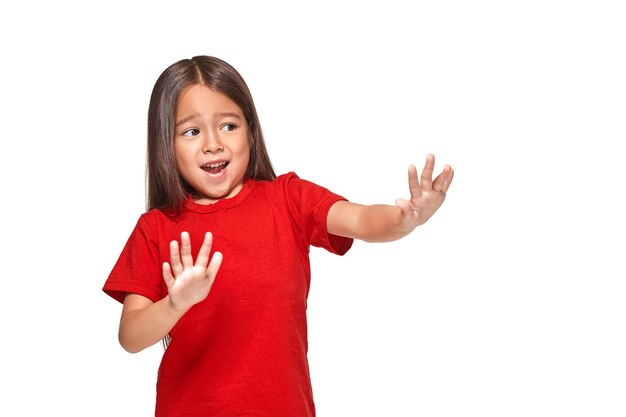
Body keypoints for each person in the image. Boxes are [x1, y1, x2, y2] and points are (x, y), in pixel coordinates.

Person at [103, 55, 454, 417]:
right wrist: (175, 305)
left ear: (250, 130)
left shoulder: (287, 199)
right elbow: (130, 336)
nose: (213, 144)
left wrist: (406, 218)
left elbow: (362, 219)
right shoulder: (156, 228)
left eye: (228, 126)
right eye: (191, 132)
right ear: (166, 143)